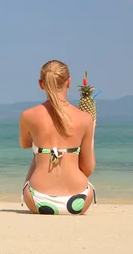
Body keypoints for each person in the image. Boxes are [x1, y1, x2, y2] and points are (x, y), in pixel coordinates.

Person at [18, 60, 97, 215]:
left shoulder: (28, 115)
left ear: (41, 84)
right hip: (78, 200)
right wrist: (90, 132)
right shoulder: (84, 119)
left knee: (38, 152)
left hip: (37, 199)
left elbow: (25, 144)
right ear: (69, 82)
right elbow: (87, 169)